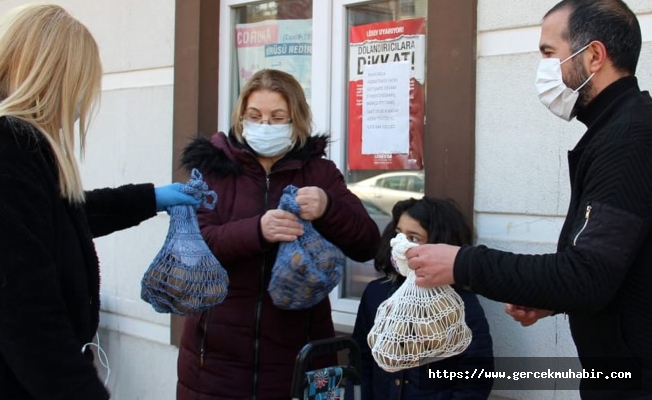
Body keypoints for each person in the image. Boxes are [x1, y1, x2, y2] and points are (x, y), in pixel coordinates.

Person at [405, 0, 652, 398]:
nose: (542, 68)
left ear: (593, 56)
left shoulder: (628, 140)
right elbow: (614, 272)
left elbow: (587, 276)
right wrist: (551, 299)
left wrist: (461, 263)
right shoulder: (616, 130)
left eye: (548, 53)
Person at [0, 4, 202, 400]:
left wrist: (152, 198)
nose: (83, 103)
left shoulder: (23, 151)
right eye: (84, 84)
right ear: (56, 79)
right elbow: (26, 313)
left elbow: (61, 218)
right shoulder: (11, 151)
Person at [177, 68, 381, 399]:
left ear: (295, 120)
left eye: (277, 117)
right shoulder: (212, 171)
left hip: (302, 355)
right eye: (255, 116)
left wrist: (329, 207)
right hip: (216, 359)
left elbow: (367, 244)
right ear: (241, 118)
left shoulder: (320, 173)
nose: (265, 126)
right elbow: (190, 248)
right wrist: (257, 230)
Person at [349, 197, 494, 400]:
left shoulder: (459, 303)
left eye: (413, 238)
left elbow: (475, 376)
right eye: (398, 234)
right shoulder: (377, 294)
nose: (400, 244)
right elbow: (361, 359)